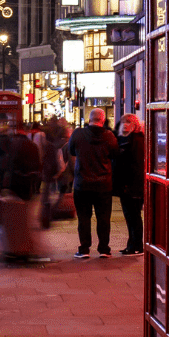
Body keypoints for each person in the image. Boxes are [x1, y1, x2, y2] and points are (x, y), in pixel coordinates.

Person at [66, 107, 118, 259]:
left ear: (89, 119)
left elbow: (71, 151)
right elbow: (115, 154)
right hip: (103, 185)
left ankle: (84, 249)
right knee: (103, 218)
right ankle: (104, 248)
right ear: (103, 120)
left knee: (83, 218)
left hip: (82, 184)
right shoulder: (109, 136)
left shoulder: (78, 134)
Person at [0, 122, 44, 264]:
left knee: (10, 220)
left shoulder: (8, 144)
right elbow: (37, 166)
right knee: (25, 220)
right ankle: (23, 249)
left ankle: (12, 249)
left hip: (10, 185)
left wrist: (0, 185)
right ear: (25, 131)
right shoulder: (31, 145)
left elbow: (0, 163)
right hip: (26, 187)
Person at [112, 114, 146, 255]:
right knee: (129, 216)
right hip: (124, 184)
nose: (125, 124)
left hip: (132, 185)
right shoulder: (122, 139)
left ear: (135, 124)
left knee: (134, 216)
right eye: (124, 122)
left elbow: (136, 166)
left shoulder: (137, 140)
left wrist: (130, 185)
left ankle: (137, 245)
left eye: (129, 122)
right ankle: (131, 244)